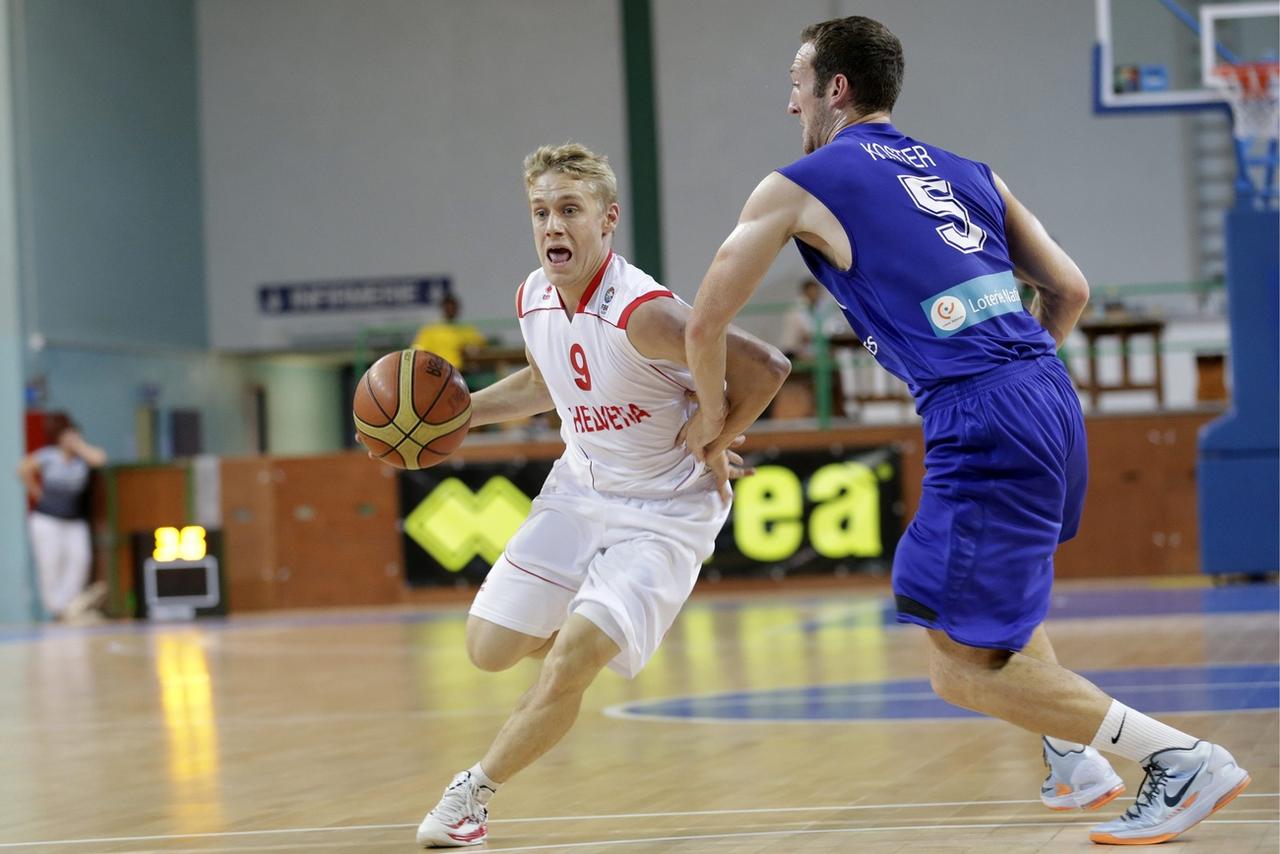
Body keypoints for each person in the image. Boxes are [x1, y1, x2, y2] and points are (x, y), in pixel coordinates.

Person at [682, 16, 1250, 846]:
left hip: (980, 410)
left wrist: (708, 426)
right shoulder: (969, 171)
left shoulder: (800, 181)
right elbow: (1072, 289)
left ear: (835, 90)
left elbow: (704, 327)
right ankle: (1071, 757)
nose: (789, 101)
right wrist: (1024, 377)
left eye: (797, 82)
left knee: (954, 664)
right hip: (1047, 391)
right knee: (996, 612)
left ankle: (1181, 760)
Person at [391, 142, 789, 848]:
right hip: (580, 488)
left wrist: (716, 430)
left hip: (665, 513)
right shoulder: (532, 296)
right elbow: (547, 384)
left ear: (607, 221)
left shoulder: (643, 313)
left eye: (569, 210)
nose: (553, 226)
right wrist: (451, 417)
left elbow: (766, 367)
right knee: (487, 649)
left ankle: (471, 796)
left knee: (572, 658)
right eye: (541, 212)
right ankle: (585, 640)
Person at [17, 419, 107, 620]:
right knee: (50, 564)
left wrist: (79, 446)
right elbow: (23, 468)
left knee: (80, 560)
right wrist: (36, 492)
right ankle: (57, 608)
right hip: (47, 519)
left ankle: (70, 604)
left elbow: (100, 459)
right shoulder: (49, 456)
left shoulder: (81, 459)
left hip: (73, 520)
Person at [411, 293, 488, 371]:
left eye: (453, 307)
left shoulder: (466, 329)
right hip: (436, 370)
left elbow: (479, 345)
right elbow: (418, 350)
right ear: (443, 308)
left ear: (457, 309)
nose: (450, 309)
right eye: (447, 307)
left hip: (460, 371)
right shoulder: (431, 329)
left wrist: (470, 350)